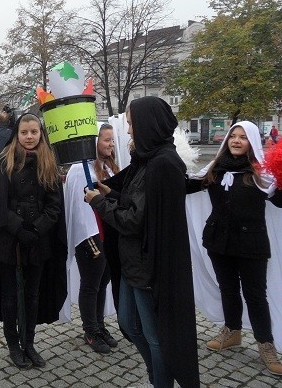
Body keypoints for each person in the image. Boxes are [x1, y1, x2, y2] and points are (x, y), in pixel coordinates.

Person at [85, 97, 199, 387]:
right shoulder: (147, 160)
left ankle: (160, 381)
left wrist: (99, 203)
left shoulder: (162, 164)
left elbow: (134, 220)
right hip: (133, 263)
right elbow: (136, 202)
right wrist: (110, 193)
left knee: (154, 337)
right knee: (128, 324)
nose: (130, 132)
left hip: (149, 267)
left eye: (133, 125)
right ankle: (155, 375)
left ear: (148, 124)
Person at [188, 121, 282, 376]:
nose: (236, 141)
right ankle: (233, 331)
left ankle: (266, 344)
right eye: (233, 136)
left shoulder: (262, 173)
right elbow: (188, 186)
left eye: (243, 137)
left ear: (251, 141)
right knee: (227, 288)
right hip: (219, 240)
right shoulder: (215, 169)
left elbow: (280, 202)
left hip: (252, 243)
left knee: (255, 295)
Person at [0, 113, 67, 370]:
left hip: (39, 241)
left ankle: (29, 343)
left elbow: (55, 205)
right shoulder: (3, 161)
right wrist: (19, 228)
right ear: (16, 134)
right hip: (9, 241)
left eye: (34, 132)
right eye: (24, 132)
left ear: (40, 133)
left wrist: (38, 229)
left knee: (32, 294)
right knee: (10, 296)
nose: (29, 137)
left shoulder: (49, 161)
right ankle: (13, 345)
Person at [64, 123, 119, 354]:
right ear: (94, 142)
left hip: (108, 233)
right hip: (89, 235)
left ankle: (99, 325)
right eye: (107, 140)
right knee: (90, 283)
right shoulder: (80, 170)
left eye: (112, 140)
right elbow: (76, 207)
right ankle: (90, 330)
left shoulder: (109, 167)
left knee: (104, 280)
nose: (111, 144)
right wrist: (87, 236)